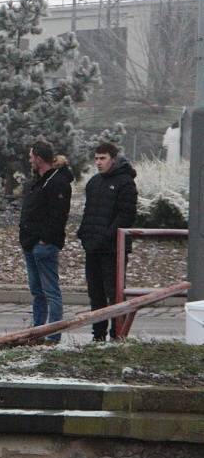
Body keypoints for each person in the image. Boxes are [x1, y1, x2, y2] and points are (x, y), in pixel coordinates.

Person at [77, 142, 138, 342]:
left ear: (113, 159)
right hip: (93, 248)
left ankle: (117, 334)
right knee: (96, 294)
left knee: (115, 294)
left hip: (113, 250)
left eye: (102, 158)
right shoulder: (94, 182)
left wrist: (104, 237)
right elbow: (88, 213)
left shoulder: (125, 182)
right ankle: (98, 335)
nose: (98, 162)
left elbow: (126, 216)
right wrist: (84, 235)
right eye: (96, 158)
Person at [18, 140, 74, 344]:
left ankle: (53, 333)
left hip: (43, 245)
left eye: (32, 156)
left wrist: (44, 241)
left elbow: (58, 216)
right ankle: (38, 330)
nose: (29, 159)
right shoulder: (40, 180)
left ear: (39, 158)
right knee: (37, 291)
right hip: (31, 244)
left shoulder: (57, 182)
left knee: (51, 291)